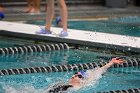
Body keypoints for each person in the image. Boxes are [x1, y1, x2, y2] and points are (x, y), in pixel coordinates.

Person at [48, 58, 124, 92]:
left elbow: (98, 72)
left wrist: (111, 63)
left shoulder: (82, 86)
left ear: (82, 80)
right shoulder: (60, 84)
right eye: (75, 74)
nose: (75, 75)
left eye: (79, 76)